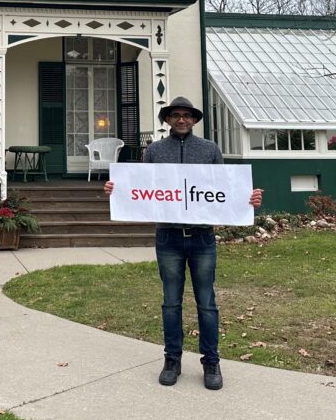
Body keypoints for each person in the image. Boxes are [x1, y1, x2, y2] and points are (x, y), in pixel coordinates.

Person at [104, 95, 263, 391]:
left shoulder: (210, 150)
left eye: (187, 115)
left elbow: (224, 189)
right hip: (168, 237)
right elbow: (143, 187)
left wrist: (248, 199)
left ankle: (211, 361)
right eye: (176, 115)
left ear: (194, 120)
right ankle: (172, 360)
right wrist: (118, 189)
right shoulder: (155, 151)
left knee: (207, 303)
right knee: (171, 302)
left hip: (202, 238)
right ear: (167, 119)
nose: (181, 119)